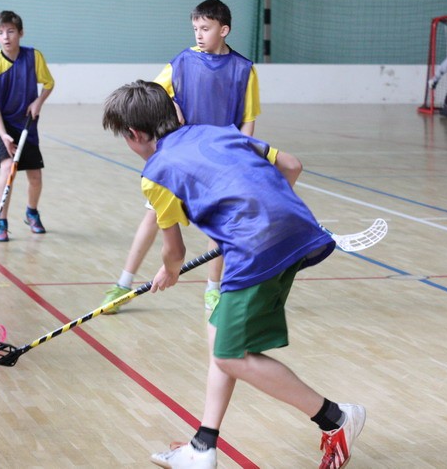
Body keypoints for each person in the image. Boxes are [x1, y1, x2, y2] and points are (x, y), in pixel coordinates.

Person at [102, 80, 365, 469]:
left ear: (134, 134)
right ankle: (203, 447)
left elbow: (175, 252)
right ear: (174, 114)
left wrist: (169, 271)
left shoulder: (155, 172)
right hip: (296, 231)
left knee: (229, 356)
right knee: (220, 336)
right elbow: (290, 165)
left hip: (256, 250)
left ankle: (336, 418)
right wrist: (263, 212)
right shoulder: (218, 132)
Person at [101, 0, 290, 315]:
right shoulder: (181, 63)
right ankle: (123, 284)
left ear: (224, 30)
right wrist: (175, 112)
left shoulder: (244, 69)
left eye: (206, 28)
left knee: (218, 228)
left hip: (221, 160)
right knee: (153, 217)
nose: (199, 35)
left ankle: (213, 289)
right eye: (195, 29)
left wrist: (244, 154)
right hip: (181, 158)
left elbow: (248, 118)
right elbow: (153, 98)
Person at [0, 10, 54, 242]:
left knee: (35, 175)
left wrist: (38, 102)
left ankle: (32, 212)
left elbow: (49, 84)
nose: (6, 37)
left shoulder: (33, 57)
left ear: (20, 33)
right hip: (0, 122)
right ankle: (1, 219)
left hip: (26, 121)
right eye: (1, 32)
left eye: (11, 31)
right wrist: (3, 134)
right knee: (8, 168)